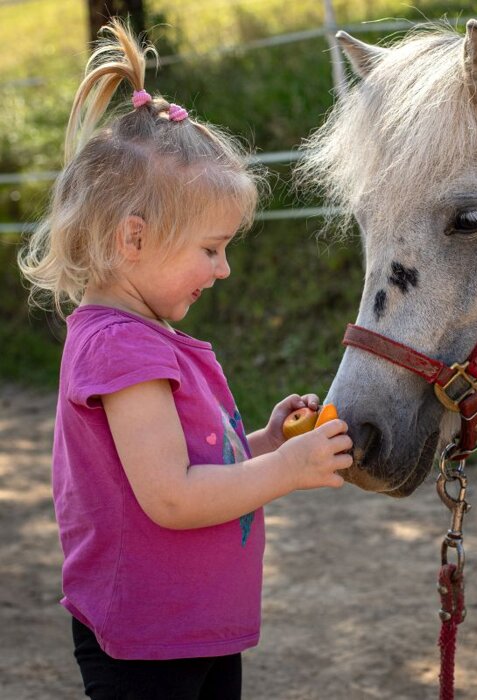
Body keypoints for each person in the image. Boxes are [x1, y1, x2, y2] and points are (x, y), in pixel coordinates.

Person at [18, 19, 352, 700]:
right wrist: (284, 471)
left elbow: (187, 466)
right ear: (133, 239)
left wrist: (260, 441)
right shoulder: (119, 349)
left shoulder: (148, 340)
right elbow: (170, 496)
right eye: (210, 248)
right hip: (147, 642)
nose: (224, 269)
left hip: (191, 627)